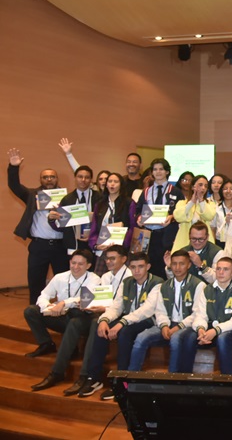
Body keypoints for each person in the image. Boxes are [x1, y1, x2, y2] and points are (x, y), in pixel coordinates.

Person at [75, 252, 163, 398]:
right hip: (128, 318)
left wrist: (121, 323)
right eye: (133, 267)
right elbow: (117, 306)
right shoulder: (127, 282)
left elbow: (146, 310)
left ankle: (121, 380)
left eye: (140, 267)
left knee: (125, 333)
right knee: (100, 327)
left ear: (148, 267)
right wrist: (104, 320)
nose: (137, 271)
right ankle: (94, 378)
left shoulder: (157, 283)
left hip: (148, 320)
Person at [23, 250, 100, 391]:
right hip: (64, 318)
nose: (76, 267)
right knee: (31, 311)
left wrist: (63, 303)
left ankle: (57, 373)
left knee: (74, 321)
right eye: (73, 263)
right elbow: (44, 295)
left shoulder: (94, 279)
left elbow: (83, 298)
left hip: (83, 319)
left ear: (88, 265)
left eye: (80, 264)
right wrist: (47, 306)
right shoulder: (60, 277)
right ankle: (46, 344)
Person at [7, 147, 69, 304]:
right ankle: (35, 313)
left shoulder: (67, 198)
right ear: (40, 179)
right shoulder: (31, 195)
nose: (49, 179)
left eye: (52, 177)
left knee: (64, 283)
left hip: (60, 246)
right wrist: (13, 167)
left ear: (57, 179)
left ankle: (65, 311)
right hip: (38, 246)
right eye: (45, 177)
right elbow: (14, 186)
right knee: (36, 282)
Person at [127, 250, 205, 373]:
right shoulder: (164, 285)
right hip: (167, 324)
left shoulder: (198, 285)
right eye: (174, 264)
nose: (177, 267)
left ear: (189, 265)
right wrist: (163, 325)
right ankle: (131, 377)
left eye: (182, 264)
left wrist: (178, 327)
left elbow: (197, 313)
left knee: (175, 338)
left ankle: (172, 378)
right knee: (141, 337)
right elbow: (160, 311)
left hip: (187, 325)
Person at [178, 257, 232, 375]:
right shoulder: (207, 289)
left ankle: (227, 378)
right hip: (209, 329)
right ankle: (185, 377)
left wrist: (215, 331)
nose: (221, 272)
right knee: (188, 337)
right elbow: (200, 315)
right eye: (218, 269)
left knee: (223, 338)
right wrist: (201, 330)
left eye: (225, 269)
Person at [134, 158, 184, 279]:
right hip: (149, 235)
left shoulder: (176, 191)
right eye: (155, 169)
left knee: (164, 267)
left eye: (161, 169)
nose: (158, 172)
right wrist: (139, 217)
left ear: (167, 171)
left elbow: (181, 213)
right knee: (149, 267)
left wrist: (172, 217)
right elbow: (138, 210)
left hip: (166, 236)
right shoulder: (146, 191)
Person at [87, 173, 136, 275]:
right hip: (103, 250)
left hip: (121, 251)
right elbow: (94, 228)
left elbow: (132, 227)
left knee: (121, 282)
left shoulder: (128, 203)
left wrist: (123, 243)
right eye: (110, 181)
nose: (112, 184)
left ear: (121, 185)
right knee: (101, 282)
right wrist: (95, 245)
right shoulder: (100, 204)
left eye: (116, 181)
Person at [47, 165, 98, 254]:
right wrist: (52, 219)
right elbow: (61, 226)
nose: (83, 180)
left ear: (91, 180)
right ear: (75, 178)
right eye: (80, 177)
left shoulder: (99, 198)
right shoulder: (67, 199)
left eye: (87, 177)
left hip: (94, 245)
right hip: (73, 245)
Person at [172, 175, 217, 252]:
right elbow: (178, 217)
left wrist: (201, 201)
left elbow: (209, 216)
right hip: (184, 240)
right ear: (193, 187)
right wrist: (192, 202)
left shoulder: (210, 204)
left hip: (204, 241)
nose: (203, 188)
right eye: (200, 185)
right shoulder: (182, 203)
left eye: (205, 186)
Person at [212, 178, 232, 249]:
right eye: (225, 189)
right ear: (221, 191)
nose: (228, 191)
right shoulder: (216, 208)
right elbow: (213, 228)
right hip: (220, 242)